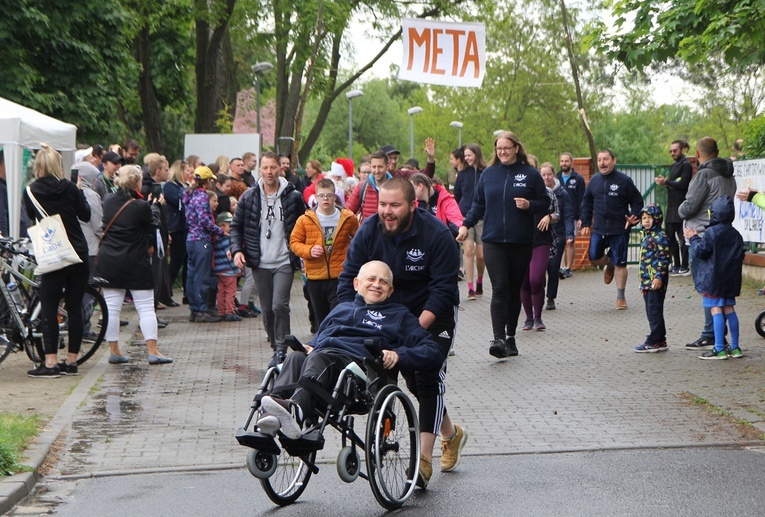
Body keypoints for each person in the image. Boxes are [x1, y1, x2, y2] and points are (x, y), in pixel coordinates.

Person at [338, 178, 465, 489]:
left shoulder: (435, 234)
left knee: (425, 377)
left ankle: (422, 460)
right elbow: (347, 278)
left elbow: (443, 289)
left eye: (394, 205)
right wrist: (348, 319)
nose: (387, 211)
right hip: (385, 314)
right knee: (396, 377)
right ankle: (451, 434)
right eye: (383, 204)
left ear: (413, 205)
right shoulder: (368, 230)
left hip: (430, 315)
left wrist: (414, 329)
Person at [256, 261, 443, 440]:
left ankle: (295, 410)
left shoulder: (399, 315)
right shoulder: (341, 309)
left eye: (383, 282)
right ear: (356, 283)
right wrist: (310, 346)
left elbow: (432, 350)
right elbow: (319, 338)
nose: (376, 285)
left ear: (391, 290)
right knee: (296, 357)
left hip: (357, 372)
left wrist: (398, 354)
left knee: (319, 358)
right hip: (322, 364)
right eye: (371, 279)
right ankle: (270, 415)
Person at [457, 131, 550, 358]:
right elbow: (478, 204)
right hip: (493, 241)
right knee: (499, 289)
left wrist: (529, 204)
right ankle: (497, 339)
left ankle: (510, 337)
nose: (503, 152)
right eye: (499, 149)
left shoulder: (530, 174)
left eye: (507, 148)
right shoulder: (489, 174)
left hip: (521, 241)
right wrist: (465, 225)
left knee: (512, 291)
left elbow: (545, 202)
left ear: (516, 148)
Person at [231, 152, 306, 367]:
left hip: (284, 260)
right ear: (259, 170)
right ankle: (276, 345)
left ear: (280, 169)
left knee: (280, 305)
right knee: (267, 309)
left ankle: (282, 350)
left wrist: (302, 253)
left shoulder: (293, 196)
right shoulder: (249, 196)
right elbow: (236, 227)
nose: (269, 172)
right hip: (259, 261)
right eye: (265, 168)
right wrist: (237, 250)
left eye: (273, 167)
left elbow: (304, 225)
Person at [23, 144, 91, 378]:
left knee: (49, 307)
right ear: (57, 166)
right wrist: (79, 191)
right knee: (74, 308)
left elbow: (32, 218)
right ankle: (71, 362)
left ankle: (50, 362)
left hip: (53, 254)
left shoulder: (31, 190)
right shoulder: (71, 188)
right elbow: (86, 215)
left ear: (39, 166)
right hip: (78, 252)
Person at [95, 165, 173, 365]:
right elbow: (151, 226)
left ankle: (114, 351)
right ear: (137, 182)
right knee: (146, 307)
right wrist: (155, 207)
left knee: (112, 307)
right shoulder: (141, 206)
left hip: (109, 259)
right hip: (134, 260)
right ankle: (153, 351)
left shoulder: (108, 200)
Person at [678, 137, 737, 350]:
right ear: (718, 151)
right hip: (723, 235)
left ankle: (710, 334)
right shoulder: (729, 175)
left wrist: (680, 209)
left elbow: (688, 207)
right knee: (721, 290)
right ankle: (721, 334)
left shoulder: (703, 175)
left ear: (697, 154)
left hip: (700, 235)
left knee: (707, 288)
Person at [578, 149, 643, 310]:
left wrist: (634, 216)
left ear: (613, 160)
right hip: (599, 229)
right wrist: (586, 222)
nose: (602, 163)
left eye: (605, 159)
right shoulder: (594, 181)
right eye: (599, 159)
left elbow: (637, 201)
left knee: (621, 263)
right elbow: (586, 203)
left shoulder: (624, 181)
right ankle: (610, 264)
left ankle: (621, 297)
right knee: (594, 256)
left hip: (620, 228)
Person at [290, 178, 359, 327]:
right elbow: (294, 243)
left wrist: (351, 257)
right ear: (316, 197)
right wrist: (309, 250)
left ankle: (336, 345)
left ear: (335, 197)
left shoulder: (348, 218)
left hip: (339, 274)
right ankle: (322, 345)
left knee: (337, 315)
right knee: (321, 318)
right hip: (315, 275)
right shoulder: (305, 219)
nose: (325, 199)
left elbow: (359, 240)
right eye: (321, 196)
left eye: (329, 195)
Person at [683, 196, 744, 360]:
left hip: (713, 280)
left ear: (713, 213)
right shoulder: (736, 234)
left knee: (716, 309)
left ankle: (719, 348)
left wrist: (694, 238)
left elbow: (701, 252)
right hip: (730, 280)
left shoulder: (711, 233)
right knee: (730, 309)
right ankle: (736, 347)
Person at [346, 139, 436, 220]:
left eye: (395, 158)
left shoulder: (401, 178)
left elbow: (424, 177)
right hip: (370, 236)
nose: (393, 161)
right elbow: (347, 214)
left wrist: (430, 159)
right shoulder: (363, 187)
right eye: (390, 158)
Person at [183, 166, 225, 323]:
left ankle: (194, 309)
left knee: (192, 275)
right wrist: (219, 231)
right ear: (207, 181)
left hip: (190, 239)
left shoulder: (188, 194)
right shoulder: (201, 197)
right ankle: (201, 310)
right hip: (202, 240)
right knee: (202, 277)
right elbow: (205, 221)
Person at [520, 165, 558, 331]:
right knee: (524, 281)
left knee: (536, 279)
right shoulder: (517, 193)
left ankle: (538, 317)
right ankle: (528, 318)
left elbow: (558, 213)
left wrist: (549, 217)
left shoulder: (547, 193)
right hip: (520, 241)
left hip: (541, 240)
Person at [633, 204, 671, 353]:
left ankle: (653, 339)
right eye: (643, 218)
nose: (646, 221)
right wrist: (643, 283)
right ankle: (660, 339)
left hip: (655, 281)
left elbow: (664, 259)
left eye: (649, 218)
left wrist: (658, 277)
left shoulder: (660, 237)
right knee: (651, 310)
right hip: (646, 281)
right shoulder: (647, 236)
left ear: (657, 219)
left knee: (654, 310)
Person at [453, 144, 487, 300]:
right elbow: (457, 195)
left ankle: (480, 280)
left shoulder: (486, 172)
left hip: (483, 217)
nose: (466, 158)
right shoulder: (462, 174)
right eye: (465, 155)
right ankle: (470, 288)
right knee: (468, 250)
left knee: (481, 255)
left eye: (469, 155)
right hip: (466, 217)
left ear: (476, 154)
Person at [655, 139, 692, 276]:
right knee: (670, 236)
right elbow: (674, 184)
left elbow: (683, 184)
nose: (672, 153)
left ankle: (684, 265)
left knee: (682, 238)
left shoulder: (686, 165)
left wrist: (667, 182)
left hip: (681, 206)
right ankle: (675, 264)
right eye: (670, 151)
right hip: (671, 207)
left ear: (683, 150)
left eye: (675, 150)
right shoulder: (674, 165)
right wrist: (666, 184)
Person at [544, 163, 575, 311]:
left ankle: (550, 297)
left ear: (553, 175)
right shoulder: (537, 193)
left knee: (553, 267)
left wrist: (569, 234)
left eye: (548, 174)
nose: (546, 178)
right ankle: (538, 291)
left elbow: (568, 215)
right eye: (543, 175)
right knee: (540, 268)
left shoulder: (562, 193)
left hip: (558, 235)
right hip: (541, 236)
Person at [556, 152, 585, 278]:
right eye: (562, 161)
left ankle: (568, 267)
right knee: (560, 241)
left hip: (572, 216)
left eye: (566, 161)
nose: (564, 164)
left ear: (571, 163)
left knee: (570, 241)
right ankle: (560, 267)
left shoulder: (578, 179)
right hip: (557, 215)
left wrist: (581, 217)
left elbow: (582, 199)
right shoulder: (556, 178)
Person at [164, 160, 189, 304]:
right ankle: (165, 291)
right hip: (176, 228)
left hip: (186, 228)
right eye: (187, 171)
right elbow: (182, 202)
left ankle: (187, 293)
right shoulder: (170, 186)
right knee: (176, 261)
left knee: (186, 261)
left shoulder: (184, 186)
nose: (189, 174)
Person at [410, 173, 462, 237]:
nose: (411, 193)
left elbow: (455, 219)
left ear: (420, 186)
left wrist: (460, 229)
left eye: (412, 190)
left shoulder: (446, 199)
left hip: (442, 240)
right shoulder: (414, 203)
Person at [213, 212, 242, 321]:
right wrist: (237, 269)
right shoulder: (226, 239)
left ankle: (221, 311)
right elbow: (229, 255)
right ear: (222, 226)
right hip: (229, 270)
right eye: (229, 225)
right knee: (230, 291)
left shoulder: (217, 238)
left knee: (221, 291)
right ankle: (230, 312)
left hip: (219, 270)